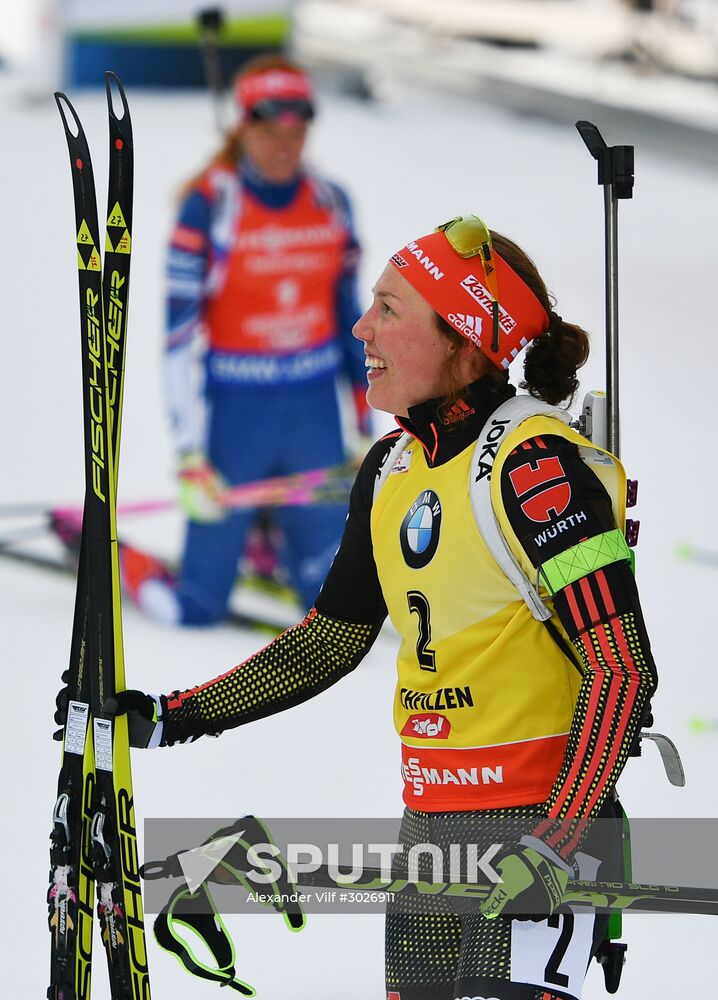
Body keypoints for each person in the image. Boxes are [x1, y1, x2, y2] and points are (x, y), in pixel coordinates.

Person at [104, 215, 658, 999]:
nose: (361, 327)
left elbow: (622, 673)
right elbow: (330, 640)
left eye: (391, 310)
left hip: (540, 828)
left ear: (463, 341)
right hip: (429, 832)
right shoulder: (392, 466)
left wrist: (556, 843)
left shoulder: (536, 467)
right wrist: (170, 715)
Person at [129, 54, 370, 625]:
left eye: (298, 129)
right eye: (269, 129)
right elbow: (178, 340)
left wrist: (365, 426)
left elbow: (351, 322)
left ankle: (268, 545)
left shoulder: (331, 202)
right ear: (243, 126)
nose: (285, 144)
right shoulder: (210, 207)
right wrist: (188, 453)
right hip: (237, 423)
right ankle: (122, 562)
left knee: (335, 603)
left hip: (313, 420)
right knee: (195, 609)